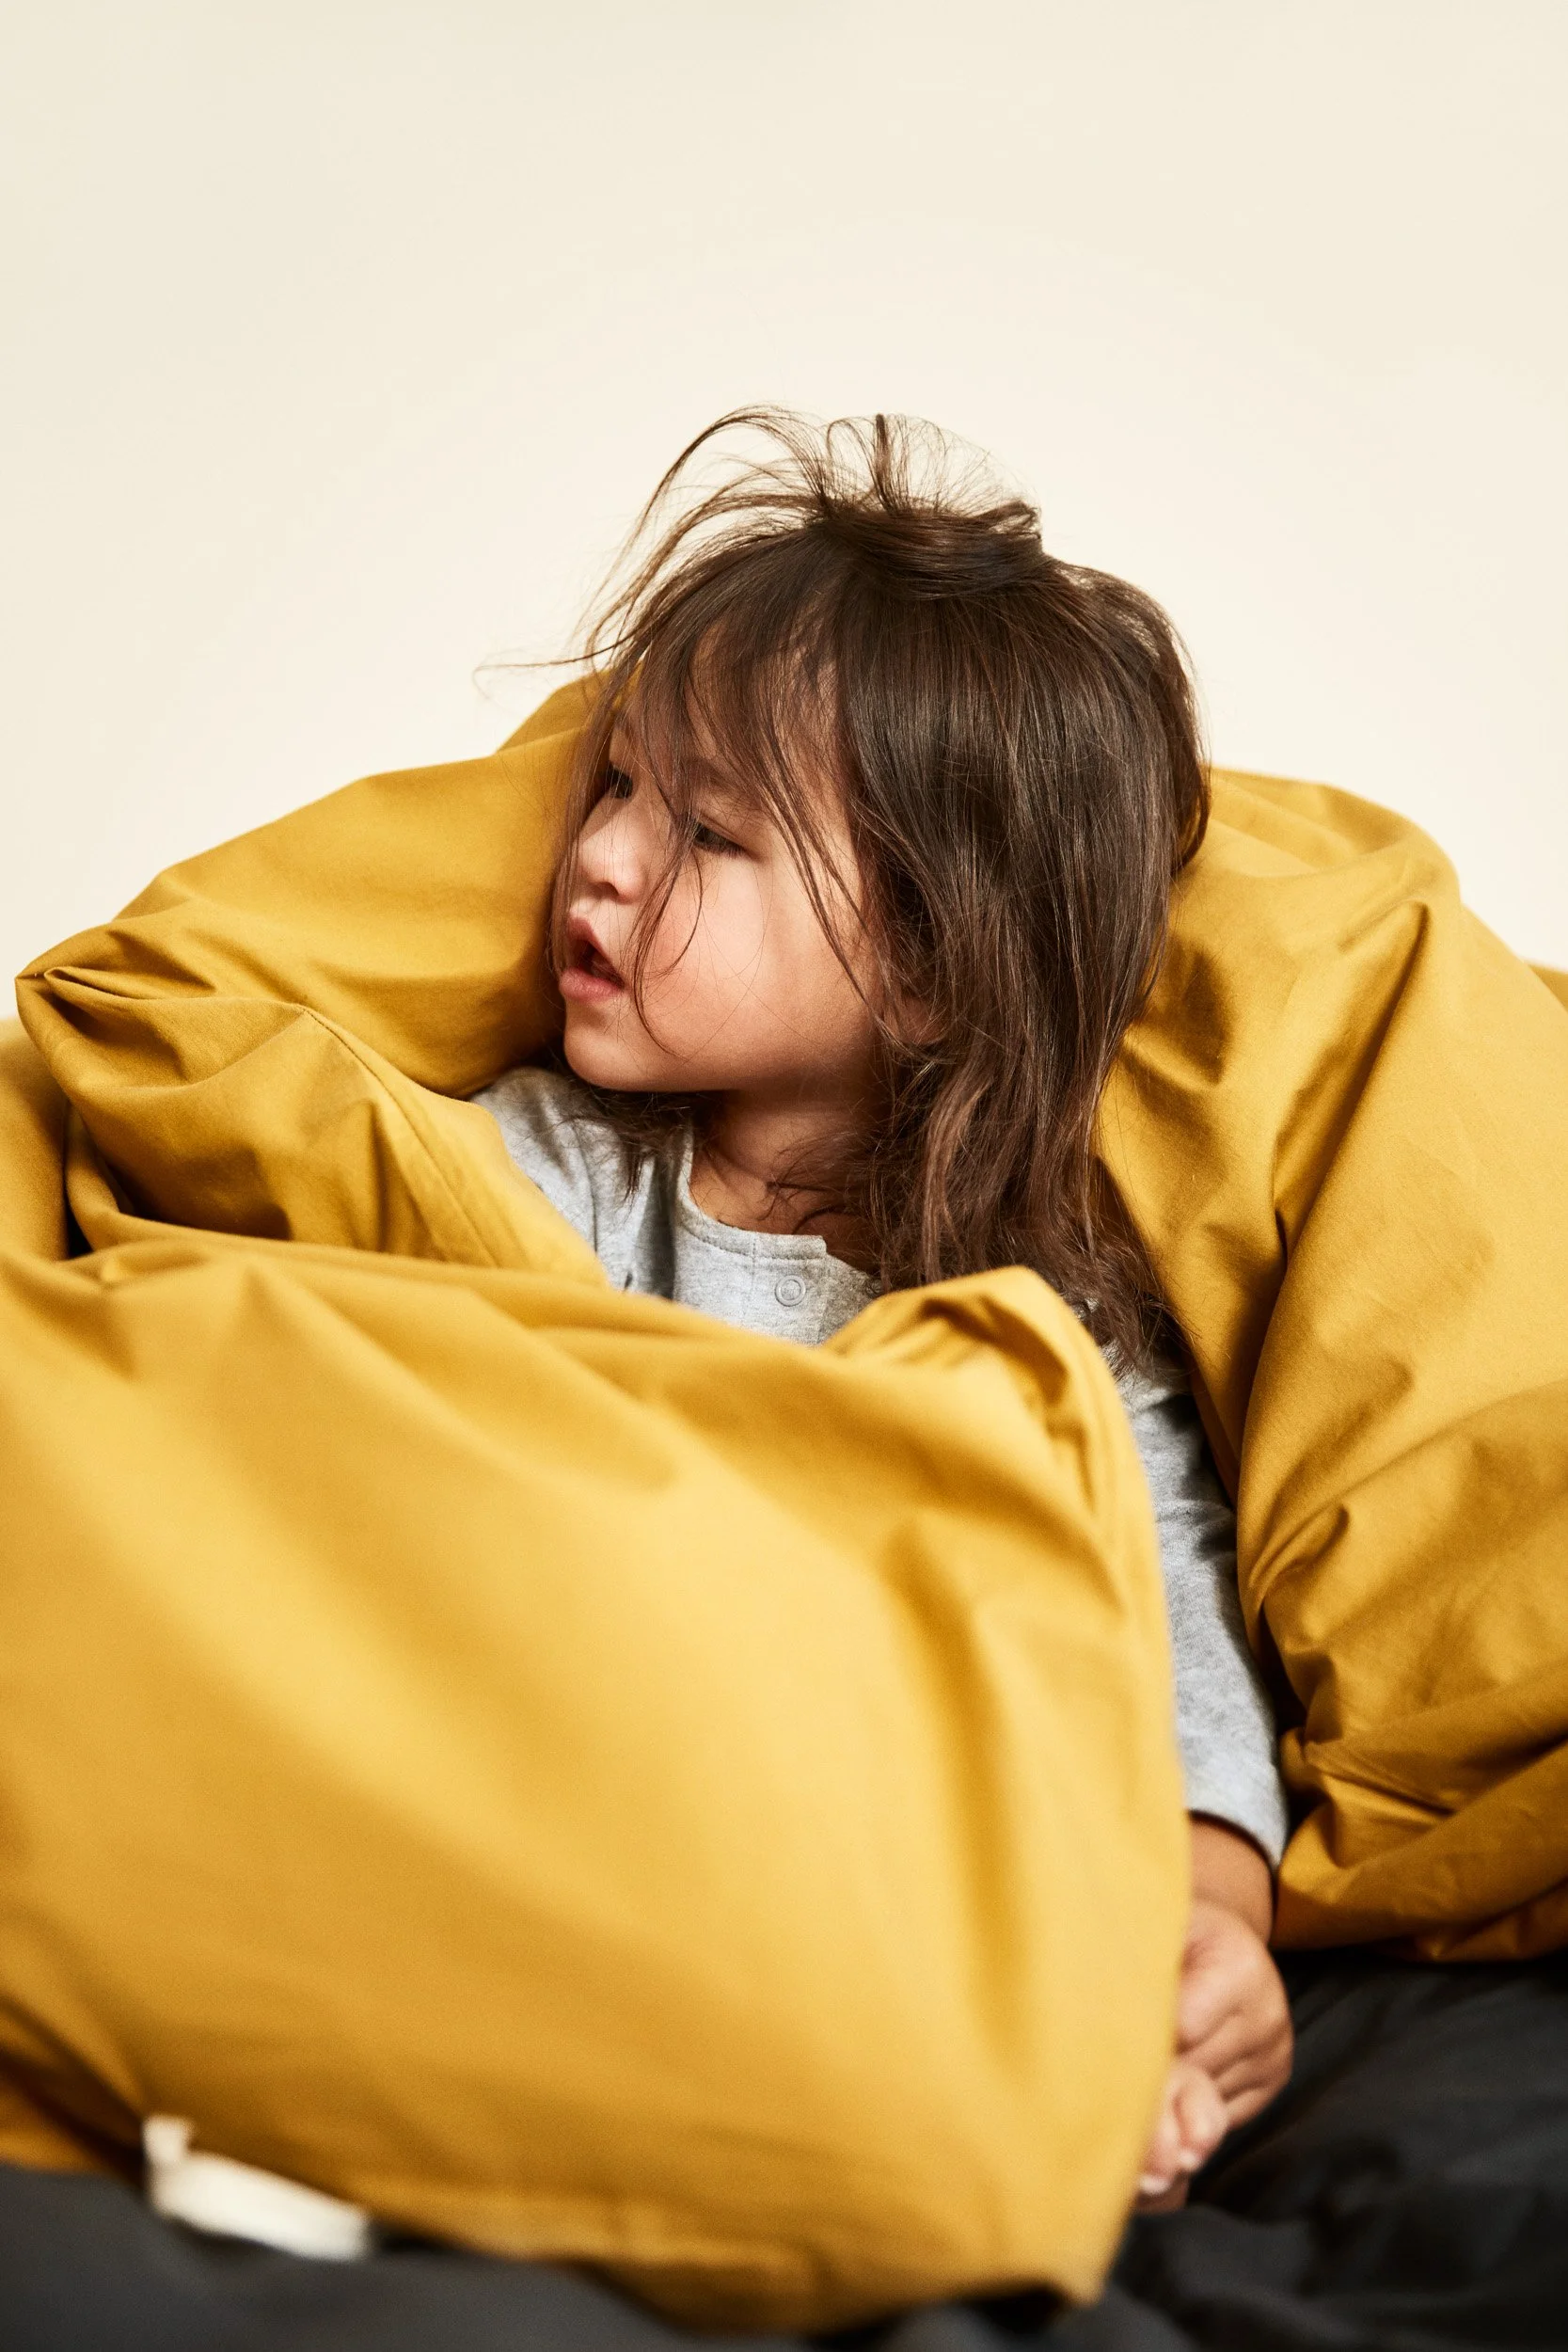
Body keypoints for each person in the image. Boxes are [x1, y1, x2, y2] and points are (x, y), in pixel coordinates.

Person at [474, 409, 1293, 2204]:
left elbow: (1166, 1633)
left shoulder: (1042, 1318)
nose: (604, 856)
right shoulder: (541, 1167)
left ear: (923, 961)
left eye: (708, 832)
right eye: (614, 786)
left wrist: (1209, 1916)